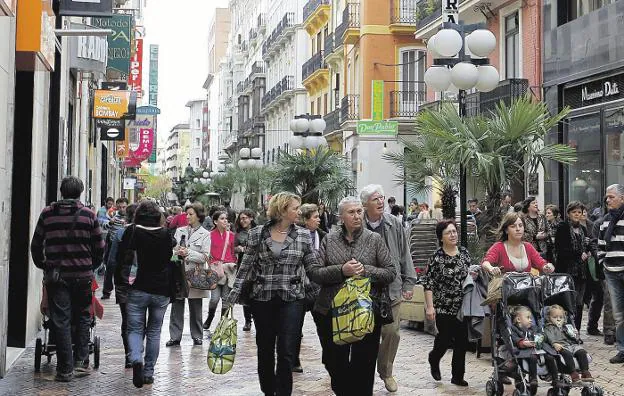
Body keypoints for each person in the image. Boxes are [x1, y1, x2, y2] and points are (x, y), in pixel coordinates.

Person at [226, 192, 321, 396]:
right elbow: (246, 266)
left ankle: (284, 392)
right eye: (295, 208)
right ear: (282, 209)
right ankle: (268, 390)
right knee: (265, 349)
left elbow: (312, 267)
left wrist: (329, 279)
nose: (299, 212)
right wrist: (234, 293)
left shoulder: (303, 235)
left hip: (292, 298)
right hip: (263, 298)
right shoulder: (257, 233)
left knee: (287, 351)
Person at [310, 196, 396, 396]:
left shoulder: (374, 239)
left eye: (359, 211)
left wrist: (365, 270)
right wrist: (342, 270)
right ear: (341, 217)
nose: (357, 216)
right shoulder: (329, 239)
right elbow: (315, 272)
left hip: (365, 312)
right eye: (351, 212)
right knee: (334, 362)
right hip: (332, 311)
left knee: (364, 365)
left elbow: (390, 272)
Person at [30, 176, 105, 382]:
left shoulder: (48, 214)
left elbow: (36, 244)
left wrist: (44, 265)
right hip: (82, 276)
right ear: (80, 192)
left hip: (57, 276)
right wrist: (91, 266)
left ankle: (64, 369)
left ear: (61, 192)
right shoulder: (88, 216)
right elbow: (99, 247)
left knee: (60, 320)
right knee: (82, 316)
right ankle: (81, 363)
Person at [360, 184, 416, 393]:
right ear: (365, 204)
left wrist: (409, 282)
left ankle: (386, 371)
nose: (381, 202)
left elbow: (404, 254)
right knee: (365, 333)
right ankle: (363, 373)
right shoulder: (358, 225)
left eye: (382, 198)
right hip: (364, 288)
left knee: (392, 332)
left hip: (391, 288)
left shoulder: (394, 223)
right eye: (375, 199)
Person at [117, 200, 176, 388]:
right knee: (154, 331)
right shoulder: (166, 234)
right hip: (161, 289)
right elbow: (169, 258)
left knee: (134, 329)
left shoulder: (132, 231)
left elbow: (121, 258)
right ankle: (149, 372)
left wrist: (120, 282)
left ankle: (136, 359)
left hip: (137, 287)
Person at [422, 220, 472, 387]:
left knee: (461, 341)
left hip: (462, 306)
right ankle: (434, 358)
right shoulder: (436, 257)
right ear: (441, 237)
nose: (453, 235)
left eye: (454, 231)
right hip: (443, 306)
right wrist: (430, 307)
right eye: (448, 232)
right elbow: (428, 283)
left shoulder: (464, 253)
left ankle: (457, 376)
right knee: (444, 340)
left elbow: (468, 275)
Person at [167, 203, 212, 346]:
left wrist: (188, 253)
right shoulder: (180, 231)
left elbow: (205, 256)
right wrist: (176, 253)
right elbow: (172, 250)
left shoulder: (205, 234)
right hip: (179, 273)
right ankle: (175, 336)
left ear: (198, 216)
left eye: (191, 214)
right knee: (177, 305)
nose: (187, 217)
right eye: (187, 214)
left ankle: (197, 335)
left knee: (196, 306)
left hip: (195, 273)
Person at [292, 203, 325, 373]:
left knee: (324, 324)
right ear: (305, 220)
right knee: (295, 326)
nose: (319, 219)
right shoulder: (294, 237)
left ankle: (329, 357)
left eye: (319, 216)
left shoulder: (324, 236)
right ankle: (294, 359)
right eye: (315, 217)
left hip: (318, 288)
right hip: (299, 286)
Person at [555, 201, 593, 331]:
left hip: (581, 271)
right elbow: (561, 249)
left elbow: (586, 245)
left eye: (579, 212)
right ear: (568, 213)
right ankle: (566, 330)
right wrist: (579, 254)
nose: (577, 214)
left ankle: (576, 331)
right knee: (567, 302)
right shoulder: (563, 227)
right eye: (574, 212)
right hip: (567, 270)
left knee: (579, 302)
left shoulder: (583, 229)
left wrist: (588, 251)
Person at [597, 184, 624, 364]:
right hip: (612, 273)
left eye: (611, 197)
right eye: (607, 197)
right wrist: (603, 264)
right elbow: (600, 245)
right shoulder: (605, 220)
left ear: (622, 198)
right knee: (619, 315)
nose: (607, 200)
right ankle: (622, 349)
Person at [481, 212, 555, 276]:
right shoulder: (499, 247)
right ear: (506, 230)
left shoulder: (528, 247)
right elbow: (485, 262)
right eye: (513, 226)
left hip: (526, 288)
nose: (518, 229)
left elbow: (541, 263)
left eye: (520, 225)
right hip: (504, 289)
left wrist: (547, 267)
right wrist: (491, 268)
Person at [110, 203, 138, 368]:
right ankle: (136, 352)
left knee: (127, 319)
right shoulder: (147, 233)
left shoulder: (121, 232)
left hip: (122, 281)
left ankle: (129, 354)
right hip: (142, 282)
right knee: (139, 319)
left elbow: (112, 260)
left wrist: (107, 286)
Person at [509, 306, 560, 394]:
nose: (531, 320)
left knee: (550, 357)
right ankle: (533, 379)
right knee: (532, 358)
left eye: (531, 318)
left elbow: (540, 334)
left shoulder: (533, 328)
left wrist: (540, 338)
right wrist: (522, 343)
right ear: (518, 319)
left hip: (538, 348)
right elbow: (514, 338)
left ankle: (556, 379)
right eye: (528, 318)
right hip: (526, 350)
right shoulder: (514, 329)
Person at [203, 210, 237, 335]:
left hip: (228, 269)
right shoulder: (209, 235)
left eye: (226, 218)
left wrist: (233, 263)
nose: (225, 221)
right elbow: (206, 253)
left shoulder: (231, 235)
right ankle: (210, 318)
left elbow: (233, 253)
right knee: (214, 299)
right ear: (215, 221)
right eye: (222, 218)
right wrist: (211, 264)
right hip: (215, 270)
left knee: (226, 299)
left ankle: (223, 323)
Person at [544, 304, 593, 382]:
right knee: (567, 354)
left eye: (561, 317)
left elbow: (574, 339)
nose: (558, 319)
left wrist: (575, 335)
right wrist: (554, 343)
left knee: (582, 352)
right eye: (555, 317)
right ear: (549, 318)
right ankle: (573, 372)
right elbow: (549, 337)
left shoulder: (566, 327)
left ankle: (585, 371)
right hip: (560, 346)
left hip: (571, 345)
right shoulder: (549, 328)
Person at [234, 209, 257, 331]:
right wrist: (239, 249)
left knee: (256, 292)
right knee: (246, 292)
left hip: (257, 265)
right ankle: (248, 320)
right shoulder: (238, 233)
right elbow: (233, 248)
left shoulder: (259, 231)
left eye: (245, 218)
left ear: (251, 218)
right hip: (244, 265)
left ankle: (257, 317)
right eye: (241, 218)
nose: (243, 221)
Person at [102, 197, 129, 299]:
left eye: (124, 207)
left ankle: (123, 290)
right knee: (109, 267)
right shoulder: (112, 214)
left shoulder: (130, 217)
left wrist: (127, 225)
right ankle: (106, 291)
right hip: (113, 245)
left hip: (125, 247)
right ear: (117, 207)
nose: (122, 209)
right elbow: (103, 226)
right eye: (120, 207)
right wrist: (110, 223)